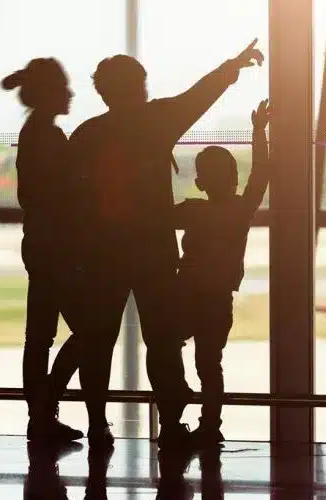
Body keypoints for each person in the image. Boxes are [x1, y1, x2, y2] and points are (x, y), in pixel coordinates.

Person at [61, 39, 265, 450]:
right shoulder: (156, 122)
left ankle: (98, 423)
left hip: (104, 255)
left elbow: (70, 200)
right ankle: (170, 424)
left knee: (99, 341)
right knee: (163, 341)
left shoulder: (87, 135)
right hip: (154, 254)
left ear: (103, 92)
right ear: (138, 86)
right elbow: (198, 97)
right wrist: (233, 66)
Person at [174, 99, 270, 447]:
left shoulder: (192, 211)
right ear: (235, 179)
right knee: (210, 365)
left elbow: (153, 219)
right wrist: (259, 132)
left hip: (185, 292)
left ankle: (178, 398)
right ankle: (210, 425)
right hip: (217, 300)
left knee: (169, 346)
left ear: (200, 183)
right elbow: (262, 172)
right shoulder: (240, 210)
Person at [1, 58, 82, 443]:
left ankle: (41, 411)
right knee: (89, 329)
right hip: (57, 247)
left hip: (40, 244)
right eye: (64, 88)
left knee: (39, 337)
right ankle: (46, 403)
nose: (71, 94)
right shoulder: (49, 137)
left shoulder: (34, 133)